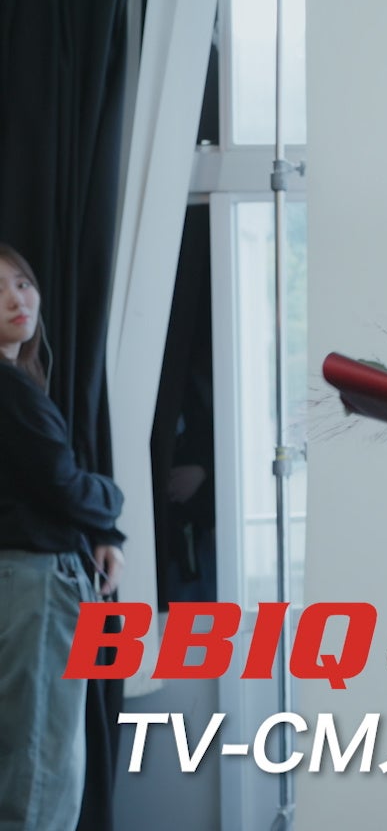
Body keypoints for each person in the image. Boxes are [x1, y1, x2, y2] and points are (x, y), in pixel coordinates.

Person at [0, 243, 127, 831]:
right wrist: (112, 499)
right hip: (34, 585)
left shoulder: (19, 384)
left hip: (24, 581)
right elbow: (64, 485)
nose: (15, 299)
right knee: (41, 772)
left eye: (21, 283)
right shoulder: (10, 389)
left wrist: (102, 529)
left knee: (30, 762)